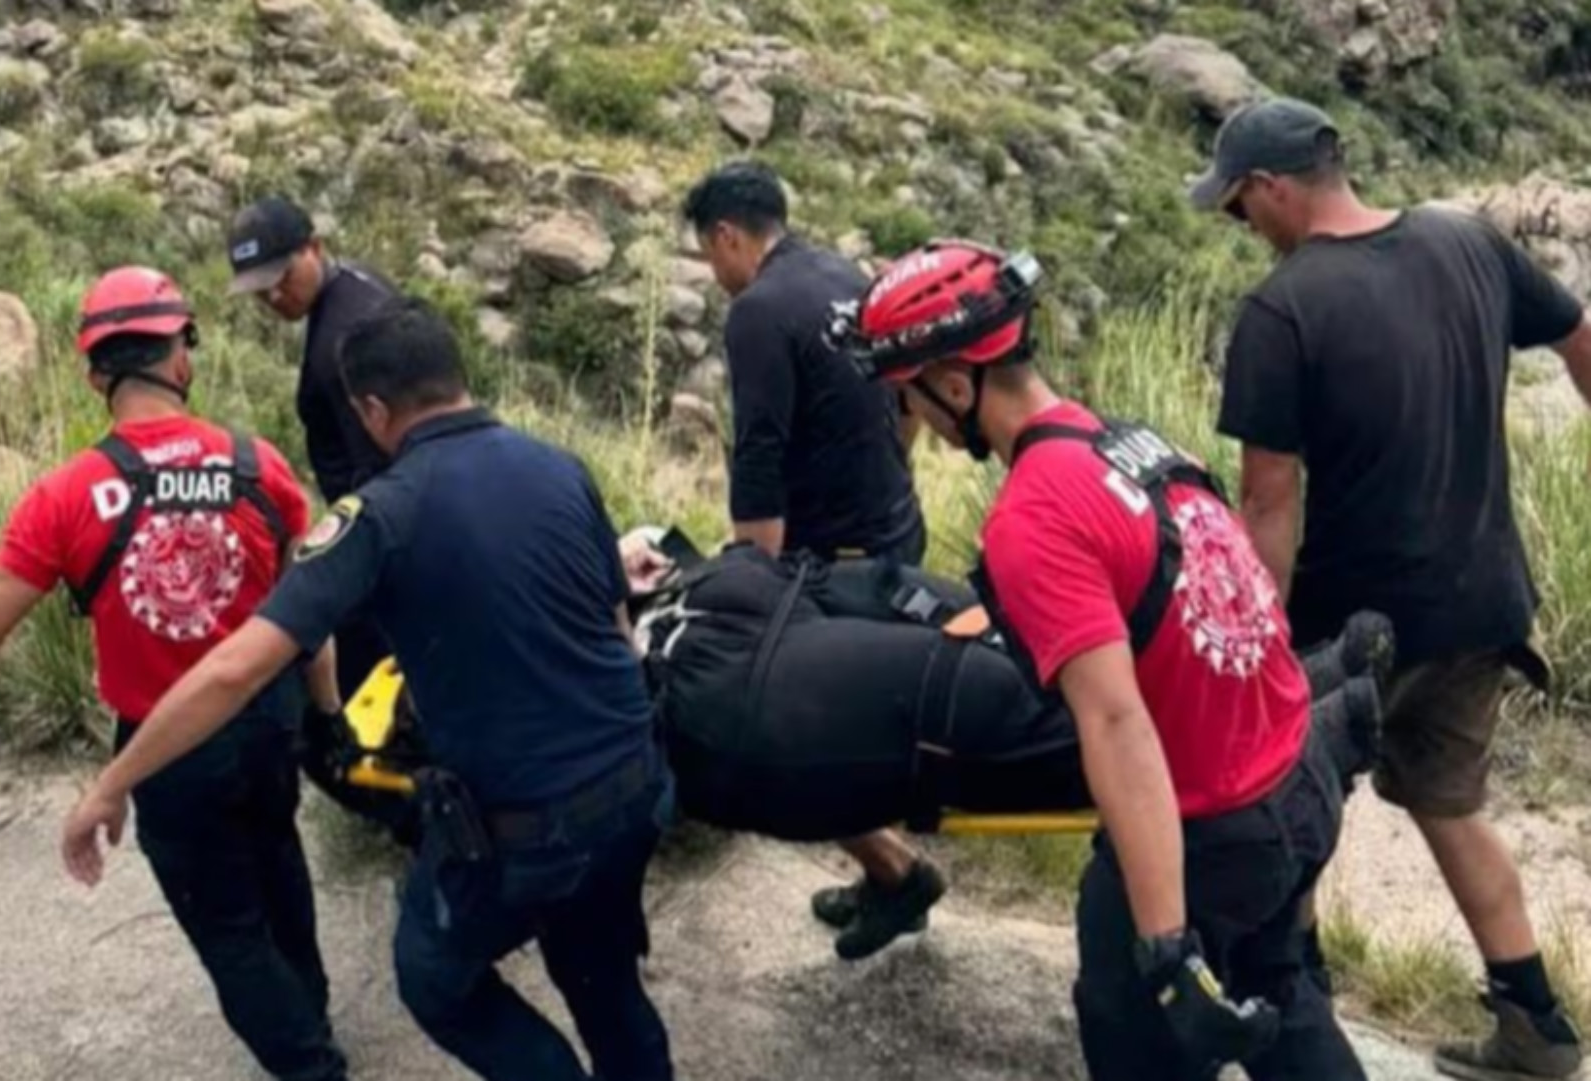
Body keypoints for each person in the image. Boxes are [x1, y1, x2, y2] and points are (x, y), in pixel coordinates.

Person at [61, 297, 676, 1081]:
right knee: (604, 972)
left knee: (433, 973)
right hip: (635, 787)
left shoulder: (379, 516)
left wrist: (113, 782)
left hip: (525, 828)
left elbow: (233, 667)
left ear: (374, 409)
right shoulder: (559, 465)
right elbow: (616, 625)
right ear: (457, 377)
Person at [841, 238, 1369, 1080]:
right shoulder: (1125, 440)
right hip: (1297, 774)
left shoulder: (1033, 514)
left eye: (909, 398)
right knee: (1286, 1000)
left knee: (1141, 1042)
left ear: (951, 382)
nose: (917, 425)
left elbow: (1117, 722)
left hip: (1208, 829)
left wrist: (1163, 948)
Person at [1196, 96, 1591, 1081]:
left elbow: (1266, 503)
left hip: (1349, 620)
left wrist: (1254, 644)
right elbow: (1580, 335)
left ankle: (1298, 1008)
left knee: (1286, 803)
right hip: (1481, 596)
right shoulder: (1466, 243)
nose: (1241, 228)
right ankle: (1534, 1026)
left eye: (1238, 208)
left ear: (1271, 188)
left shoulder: (1282, 310)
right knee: (1448, 802)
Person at [0, 267, 349, 1081]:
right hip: (270, 720)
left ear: (94, 375)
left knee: (226, 925)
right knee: (277, 857)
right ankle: (310, 1011)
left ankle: (310, 1061)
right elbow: (308, 615)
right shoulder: (263, 468)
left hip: (165, 746)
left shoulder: (65, 496)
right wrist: (326, 716)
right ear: (181, 357)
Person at [682, 158, 944, 962]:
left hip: (834, 560)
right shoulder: (841, 270)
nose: (712, 269)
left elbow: (758, 454)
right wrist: (891, 481)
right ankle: (888, 869)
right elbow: (907, 393)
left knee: (790, 727)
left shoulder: (757, 309)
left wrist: (750, 586)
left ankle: (898, 873)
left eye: (706, 251)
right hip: (895, 531)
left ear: (728, 235)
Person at [227, 194, 400, 703]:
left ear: (314, 248)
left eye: (282, 277)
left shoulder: (343, 340)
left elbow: (385, 462)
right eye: (260, 289)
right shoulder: (358, 285)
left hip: (384, 534)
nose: (275, 296)